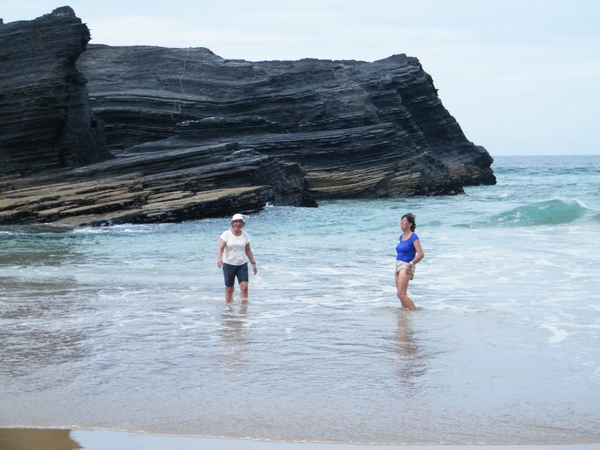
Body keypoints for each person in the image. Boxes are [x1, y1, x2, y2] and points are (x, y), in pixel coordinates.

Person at [217, 213, 258, 303]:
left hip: (242, 264)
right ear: (233, 223)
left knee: (244, 286)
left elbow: (248, 250)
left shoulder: (245, 235)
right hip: (229, 264)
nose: (238, 224)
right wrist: (219, 259)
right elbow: (220, 248)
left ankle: (243, 309)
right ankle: (229, 309)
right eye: (236, 222)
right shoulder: (226, 234)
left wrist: (253, 263)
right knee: (229, 288)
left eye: (240, 222)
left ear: (242, 224)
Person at [395, 213, 424, 310]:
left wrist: (411, 264)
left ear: (410, 224)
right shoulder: (401, 237)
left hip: (406, 265)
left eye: (404, 221)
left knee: (401, 294)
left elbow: (420, 254)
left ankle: (415, 313)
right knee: (401, 295)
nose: (401, 222)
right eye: (401, 220)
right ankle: (405, 317)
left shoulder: (413, 237)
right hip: (398, 265)